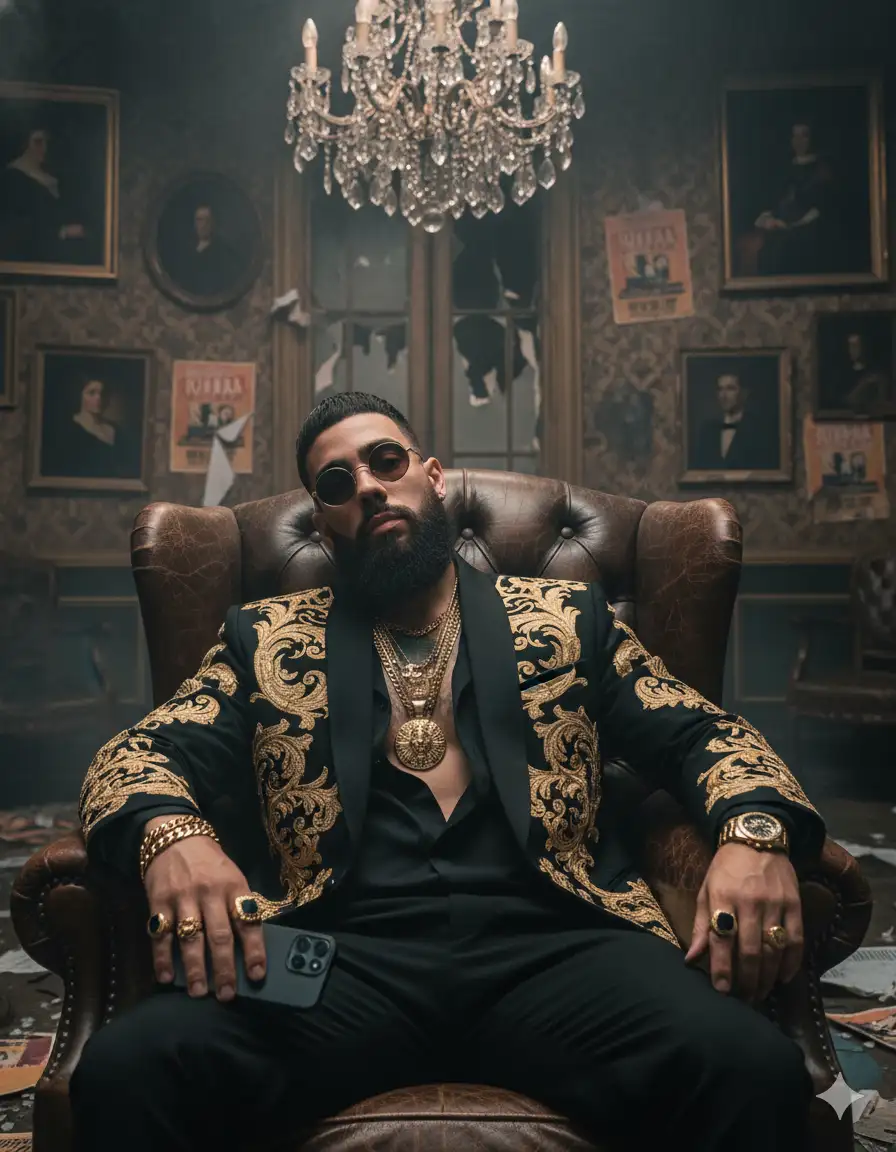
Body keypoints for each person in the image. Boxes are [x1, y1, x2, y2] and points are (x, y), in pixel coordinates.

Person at [71, 392, 824, 1152]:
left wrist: (753, 832)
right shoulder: (264, 639)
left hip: (554, 946)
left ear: (431, 477)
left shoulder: (566, 619)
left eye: (385, 461)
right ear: (326, 521)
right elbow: (136, 754)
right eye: (336, 483)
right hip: (339, 954)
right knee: (127, 1068)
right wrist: (171, 834)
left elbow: (703, 732)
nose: (366, 486)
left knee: (751, 1065)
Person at [736, 120, 835, 277]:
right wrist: (768, 217)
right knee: (746, 243)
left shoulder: (822, 170)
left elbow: (820, 209)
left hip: (806, 230)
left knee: (765, 248)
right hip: (781, 225)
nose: (799, 141)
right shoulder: (787, 167)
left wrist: (790, 225)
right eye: (795, 136)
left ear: (811, 139)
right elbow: (778, 200)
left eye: (804, 136)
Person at [0, 127, 86, 264]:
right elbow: (17, 228)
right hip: (31, 258)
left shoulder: (52, 175)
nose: (44, 148)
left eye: (46, 142)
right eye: (38, 142)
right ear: (24, 144)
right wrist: (62, 232)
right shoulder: (12, 178)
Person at [41, 376, 134, 480]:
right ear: (80, 396)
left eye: (103, 393)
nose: (98, 398)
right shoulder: (67, 429)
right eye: (91, 393)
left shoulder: (116, 430)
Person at [692, 372, 780, 472]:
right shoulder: (707, 430)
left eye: (730, 389)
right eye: (720, 389)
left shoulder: (760, 429)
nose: (723, 395)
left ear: (744, 393)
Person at [168, 203, 239, 297]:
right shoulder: (186, 251)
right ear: (195, 224)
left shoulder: (223, 252)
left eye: (207, 220)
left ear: (213, 223)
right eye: (200, 220)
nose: (203, 225)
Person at [843, 332, 892, 413]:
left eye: (856, 346)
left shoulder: (876, 371)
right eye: (850, 346)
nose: (853, 350)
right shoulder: (842, 374)